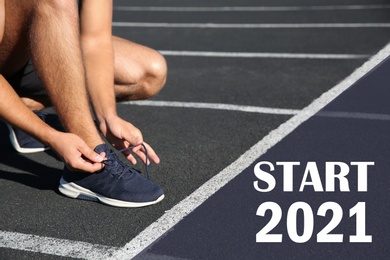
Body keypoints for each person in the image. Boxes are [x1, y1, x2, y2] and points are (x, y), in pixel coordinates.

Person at [0, 0, 167, 207]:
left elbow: (96, 41)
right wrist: (50, 136)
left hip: (35, 49)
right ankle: (89, 163)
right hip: (5, 57)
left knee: (148, 72)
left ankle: (22, 109)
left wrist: (108, 116)